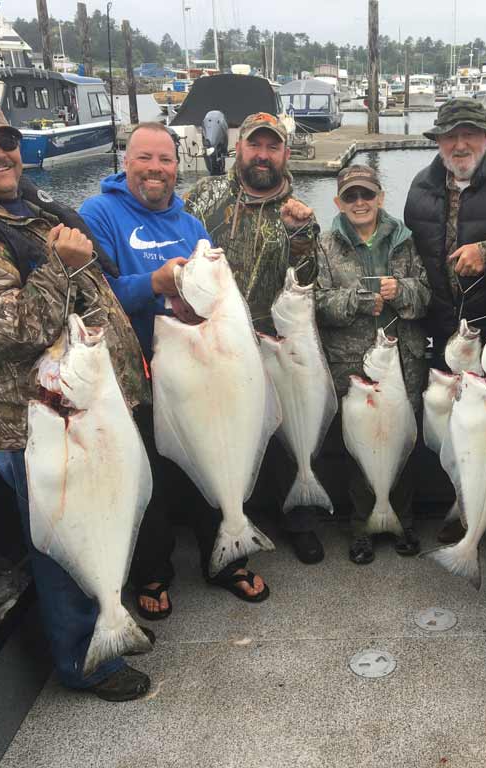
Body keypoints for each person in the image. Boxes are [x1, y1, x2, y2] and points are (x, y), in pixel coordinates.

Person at [0, 100, 152, 701]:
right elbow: (8, 334)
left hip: (92, 413)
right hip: (39, 429)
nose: (1, 154)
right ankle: (85, 662)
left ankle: (111, 621)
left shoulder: (28, 210)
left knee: (105, 525)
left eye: (6, 141)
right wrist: (58, 265)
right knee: (61, 547)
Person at [79, 123, 269, 619]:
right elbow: (88, 293)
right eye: (145, 158)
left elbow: (213, 298)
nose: (156, 169)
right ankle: (154, 572)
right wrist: (154, 284)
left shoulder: (189, 222)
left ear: (176, 165)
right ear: (127, 162)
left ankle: (225, 558)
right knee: (151, 480)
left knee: (214, 457)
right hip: (130, 378)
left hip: (196, 373)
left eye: (165, 160)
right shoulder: (99, 214)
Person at [182, 112, 324, 564]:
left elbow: (307, 280)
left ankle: (299, 521)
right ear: (238, 149)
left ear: (285, 154)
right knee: (217, 435)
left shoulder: (297, 212)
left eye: (273, 147)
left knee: (283, 431)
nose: (263, 155)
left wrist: (301, 235)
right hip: (211, 344)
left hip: (269, 345)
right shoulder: (204, 196)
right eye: (254, 145)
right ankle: (222, 524)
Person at [404, 97, 486, 556]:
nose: (460, 144)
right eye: (449, 135)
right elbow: (415, 262)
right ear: (438, 140)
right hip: (449, 333)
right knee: (456, 431)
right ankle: (461, 507)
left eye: (469, 134)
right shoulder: (421, 187)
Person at [316, 165, 431, 564]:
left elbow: (424, 297)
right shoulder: (326, 245)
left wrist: (400, 291)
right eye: (351, 197)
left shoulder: (405, 240)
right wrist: (359, 300)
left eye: (367, 195)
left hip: (403, 365)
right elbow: (319, 305)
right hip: (354, 369)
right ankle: (362, 526)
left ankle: (404, 520)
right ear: (338, 203)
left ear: (381, 197)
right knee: (360, 450)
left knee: (402, 444)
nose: (360, 203)